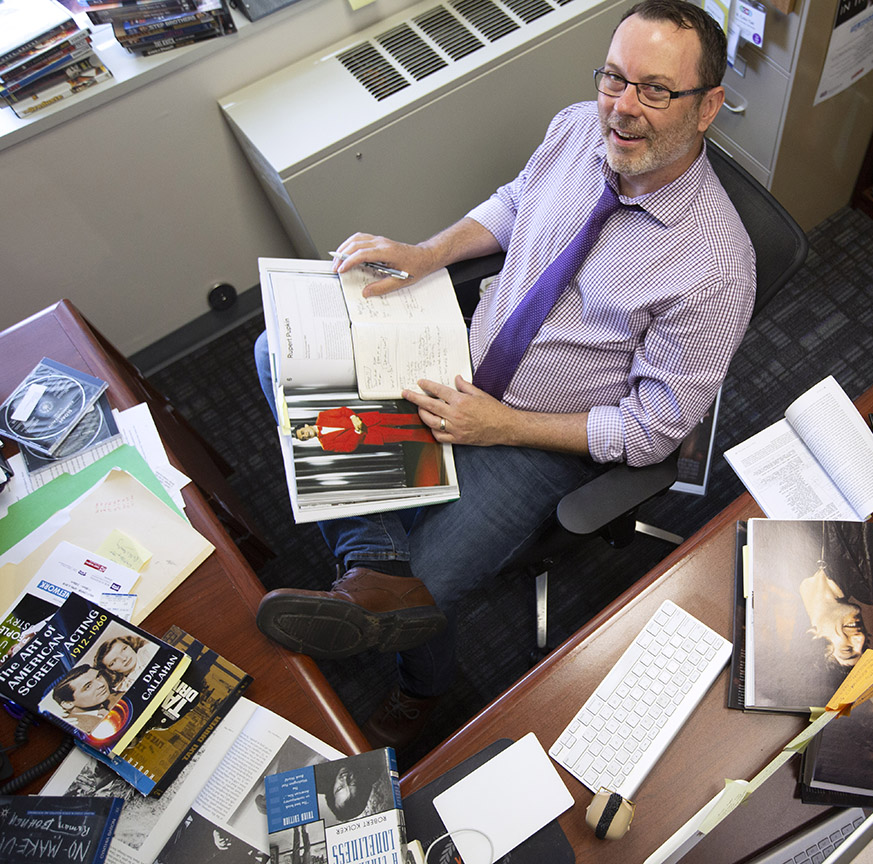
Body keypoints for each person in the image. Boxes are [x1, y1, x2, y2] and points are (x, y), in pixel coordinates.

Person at [254, 0, 755, 751]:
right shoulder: (575, 127)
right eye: (613, 79)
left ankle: (421, 680)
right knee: (276, 349)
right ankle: (371, 560)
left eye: (655, 90)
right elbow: (518, 203)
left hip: (538, 439)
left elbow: (654, 431)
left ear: (708, 105)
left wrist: (501, 426)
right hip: (459, 357)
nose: (622, 110)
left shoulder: (716, 266)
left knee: (423, 586)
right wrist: (428, 253)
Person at [292, 406, 436, 452]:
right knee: (409, 435)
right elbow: (349, 448)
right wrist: (358, 432)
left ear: (305, 426)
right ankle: (437, 439)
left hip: (370, 419)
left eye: (303, 433)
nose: (307, 435)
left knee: (407, 419)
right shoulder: (326, 445)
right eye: (304, 438)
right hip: (371, 436)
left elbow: (343, 411)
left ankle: (436, 416)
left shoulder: (322, 416)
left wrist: (353, 418)